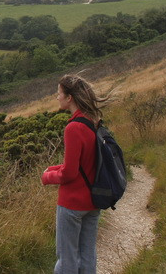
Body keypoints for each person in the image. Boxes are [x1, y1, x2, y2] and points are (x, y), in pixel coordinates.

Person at [41, 74, 108, 274]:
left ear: (69, 97)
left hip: (71, 204)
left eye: (59, 93)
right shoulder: (92, 121)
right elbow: (82, 163)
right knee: (88, 255)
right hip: (93, 201)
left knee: (67, 257)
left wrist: (47, 177)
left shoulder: (73, 128)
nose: (57, 97)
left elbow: (70, 173)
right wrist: (54, 168)